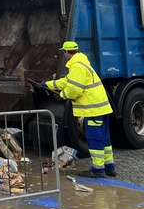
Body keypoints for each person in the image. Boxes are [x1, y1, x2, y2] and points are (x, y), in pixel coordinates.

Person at [44, 41, 116, 178]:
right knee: (104, 139)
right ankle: (110, 167)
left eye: (63, 52)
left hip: (93, 110)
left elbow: (75, 89)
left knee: (95, 139)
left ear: (66, 52)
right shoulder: (82, 63)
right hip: (102, 108)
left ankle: (98, 170)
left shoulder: (77, 67)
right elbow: (67, 82)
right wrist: (48, 84)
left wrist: (62, 95)